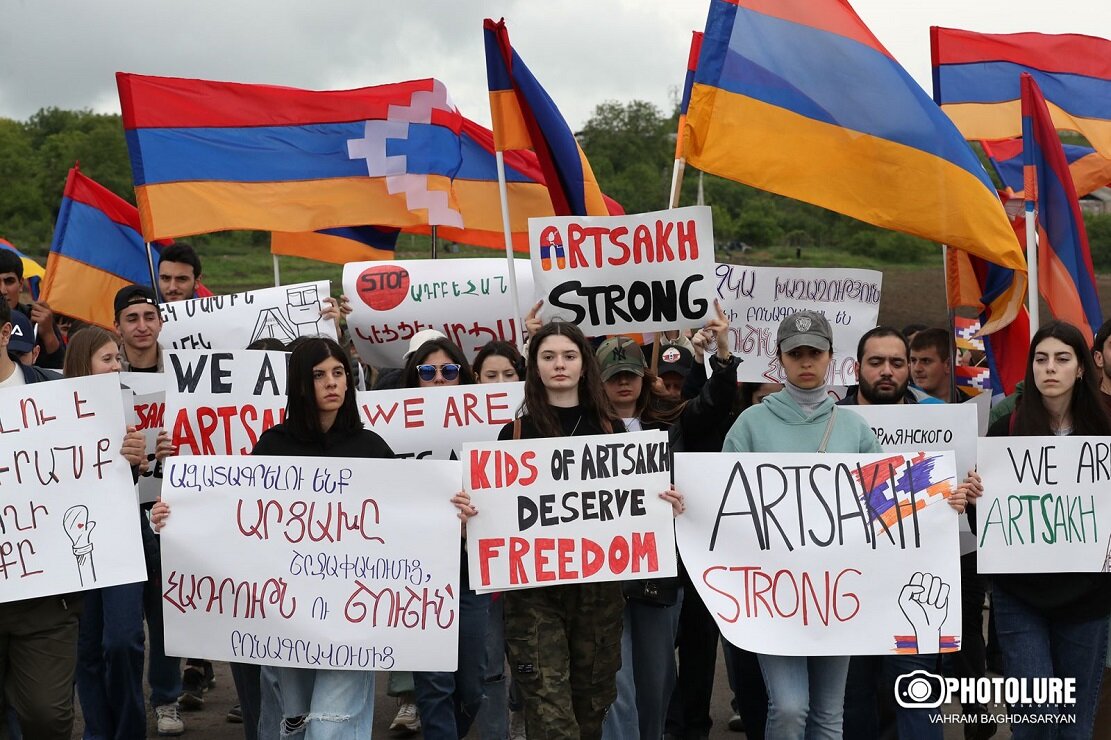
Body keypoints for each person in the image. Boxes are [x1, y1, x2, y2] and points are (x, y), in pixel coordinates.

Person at [723, 310, 970, 739]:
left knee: (828, 714)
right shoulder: (750, 425)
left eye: (814, 353)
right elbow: (723, 500)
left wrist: (942, 499)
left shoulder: (854, 428)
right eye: (795, 353)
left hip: (838, 592)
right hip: (775, 594)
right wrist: (687, 502)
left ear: (830, 358)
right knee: (788, 707)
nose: (805, 361)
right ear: (779, 358)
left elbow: (888, 503)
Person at [153, 337, 396, 737]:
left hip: (354, 616)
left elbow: (408, 516)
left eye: (339, 373)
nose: (332, 383)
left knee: (332, 726)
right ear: (300, 383)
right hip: (289, 618)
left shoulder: (371, 448)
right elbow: (234, 517)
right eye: (319, 375)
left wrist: (448, 511)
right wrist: (173, 516)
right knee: (293, 722)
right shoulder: (273, 446)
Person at [457, 321, 682, 739]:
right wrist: (473, 518)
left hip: (598, 594)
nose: (559, 364)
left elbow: (637, 508)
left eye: (568, 355)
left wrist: (664, 505)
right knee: (550, 713)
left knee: (591, 708)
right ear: (535, 367)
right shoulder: (516, 433)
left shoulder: (613, 432)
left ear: (584, 364)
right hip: (534, 596)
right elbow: (497, 514)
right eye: (548, 356)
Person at [959, 321, 1111, 737]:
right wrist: (974, 498)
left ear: (1082, 368)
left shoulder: (1106, 438)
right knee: (1035, 719)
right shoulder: (1004, 432)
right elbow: (990, 527)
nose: (1050, 368)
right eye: (1040, 359)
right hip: (1019, 595)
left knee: (1076, 726)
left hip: (1088, 598)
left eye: (1062, 359)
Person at [0, 303, 145, 739]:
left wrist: (127, 461)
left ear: (5, 332)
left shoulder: (60, 393)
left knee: (48, 716)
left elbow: (94, 475)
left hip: (45, 599)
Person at [599, 302, 738, 740]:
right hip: (601, 572)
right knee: (615, 683)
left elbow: (714, 404)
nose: (623, 382)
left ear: (644, 378)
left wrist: (720, 353)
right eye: (613, 376)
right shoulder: (582, 430)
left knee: (656, 682)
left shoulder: (673, 421)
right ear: (598, 382)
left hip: (660, 574)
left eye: (630, 374)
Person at [403, 337, 491, 739]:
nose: (438, 379)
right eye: (427, 372)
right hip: (421, 570)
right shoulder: (392, 429)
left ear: (463, 376)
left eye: (449, 371)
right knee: (435, 683)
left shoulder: (489, 429)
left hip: (470, 566)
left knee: (471, 686)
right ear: (414, 378)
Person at [66, 327, 152, 740]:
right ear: (83, 363)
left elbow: (129, 480)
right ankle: (98, 733)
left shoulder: (124, 407)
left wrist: (139, 460)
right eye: (107, 359)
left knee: (123, 640)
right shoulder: (51, 411)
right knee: (86, 649)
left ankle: (129, 731)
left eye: (117, 359)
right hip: (73, 545)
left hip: (121, 538)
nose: (116, 366)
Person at [469, 340, 526, 740]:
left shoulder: (535, 424)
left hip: (528, 564)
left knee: (528, 659)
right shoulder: (449, 423)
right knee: (489, 667)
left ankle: (523, 722)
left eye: (509, 375)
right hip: (481, 568)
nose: (500, 383)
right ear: (476, 380)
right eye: (491, 376)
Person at [0, 248, 64, 368]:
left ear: (20, 284)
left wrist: (48, 333)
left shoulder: (38, 318)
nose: (3, 290)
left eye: (9, 281)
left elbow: (60, 369)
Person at [910, 328, 967, 403]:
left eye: (925, 361)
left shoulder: (973, 405)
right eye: (913, 360)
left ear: (948, 365)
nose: (916, 368)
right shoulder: (900, 403)